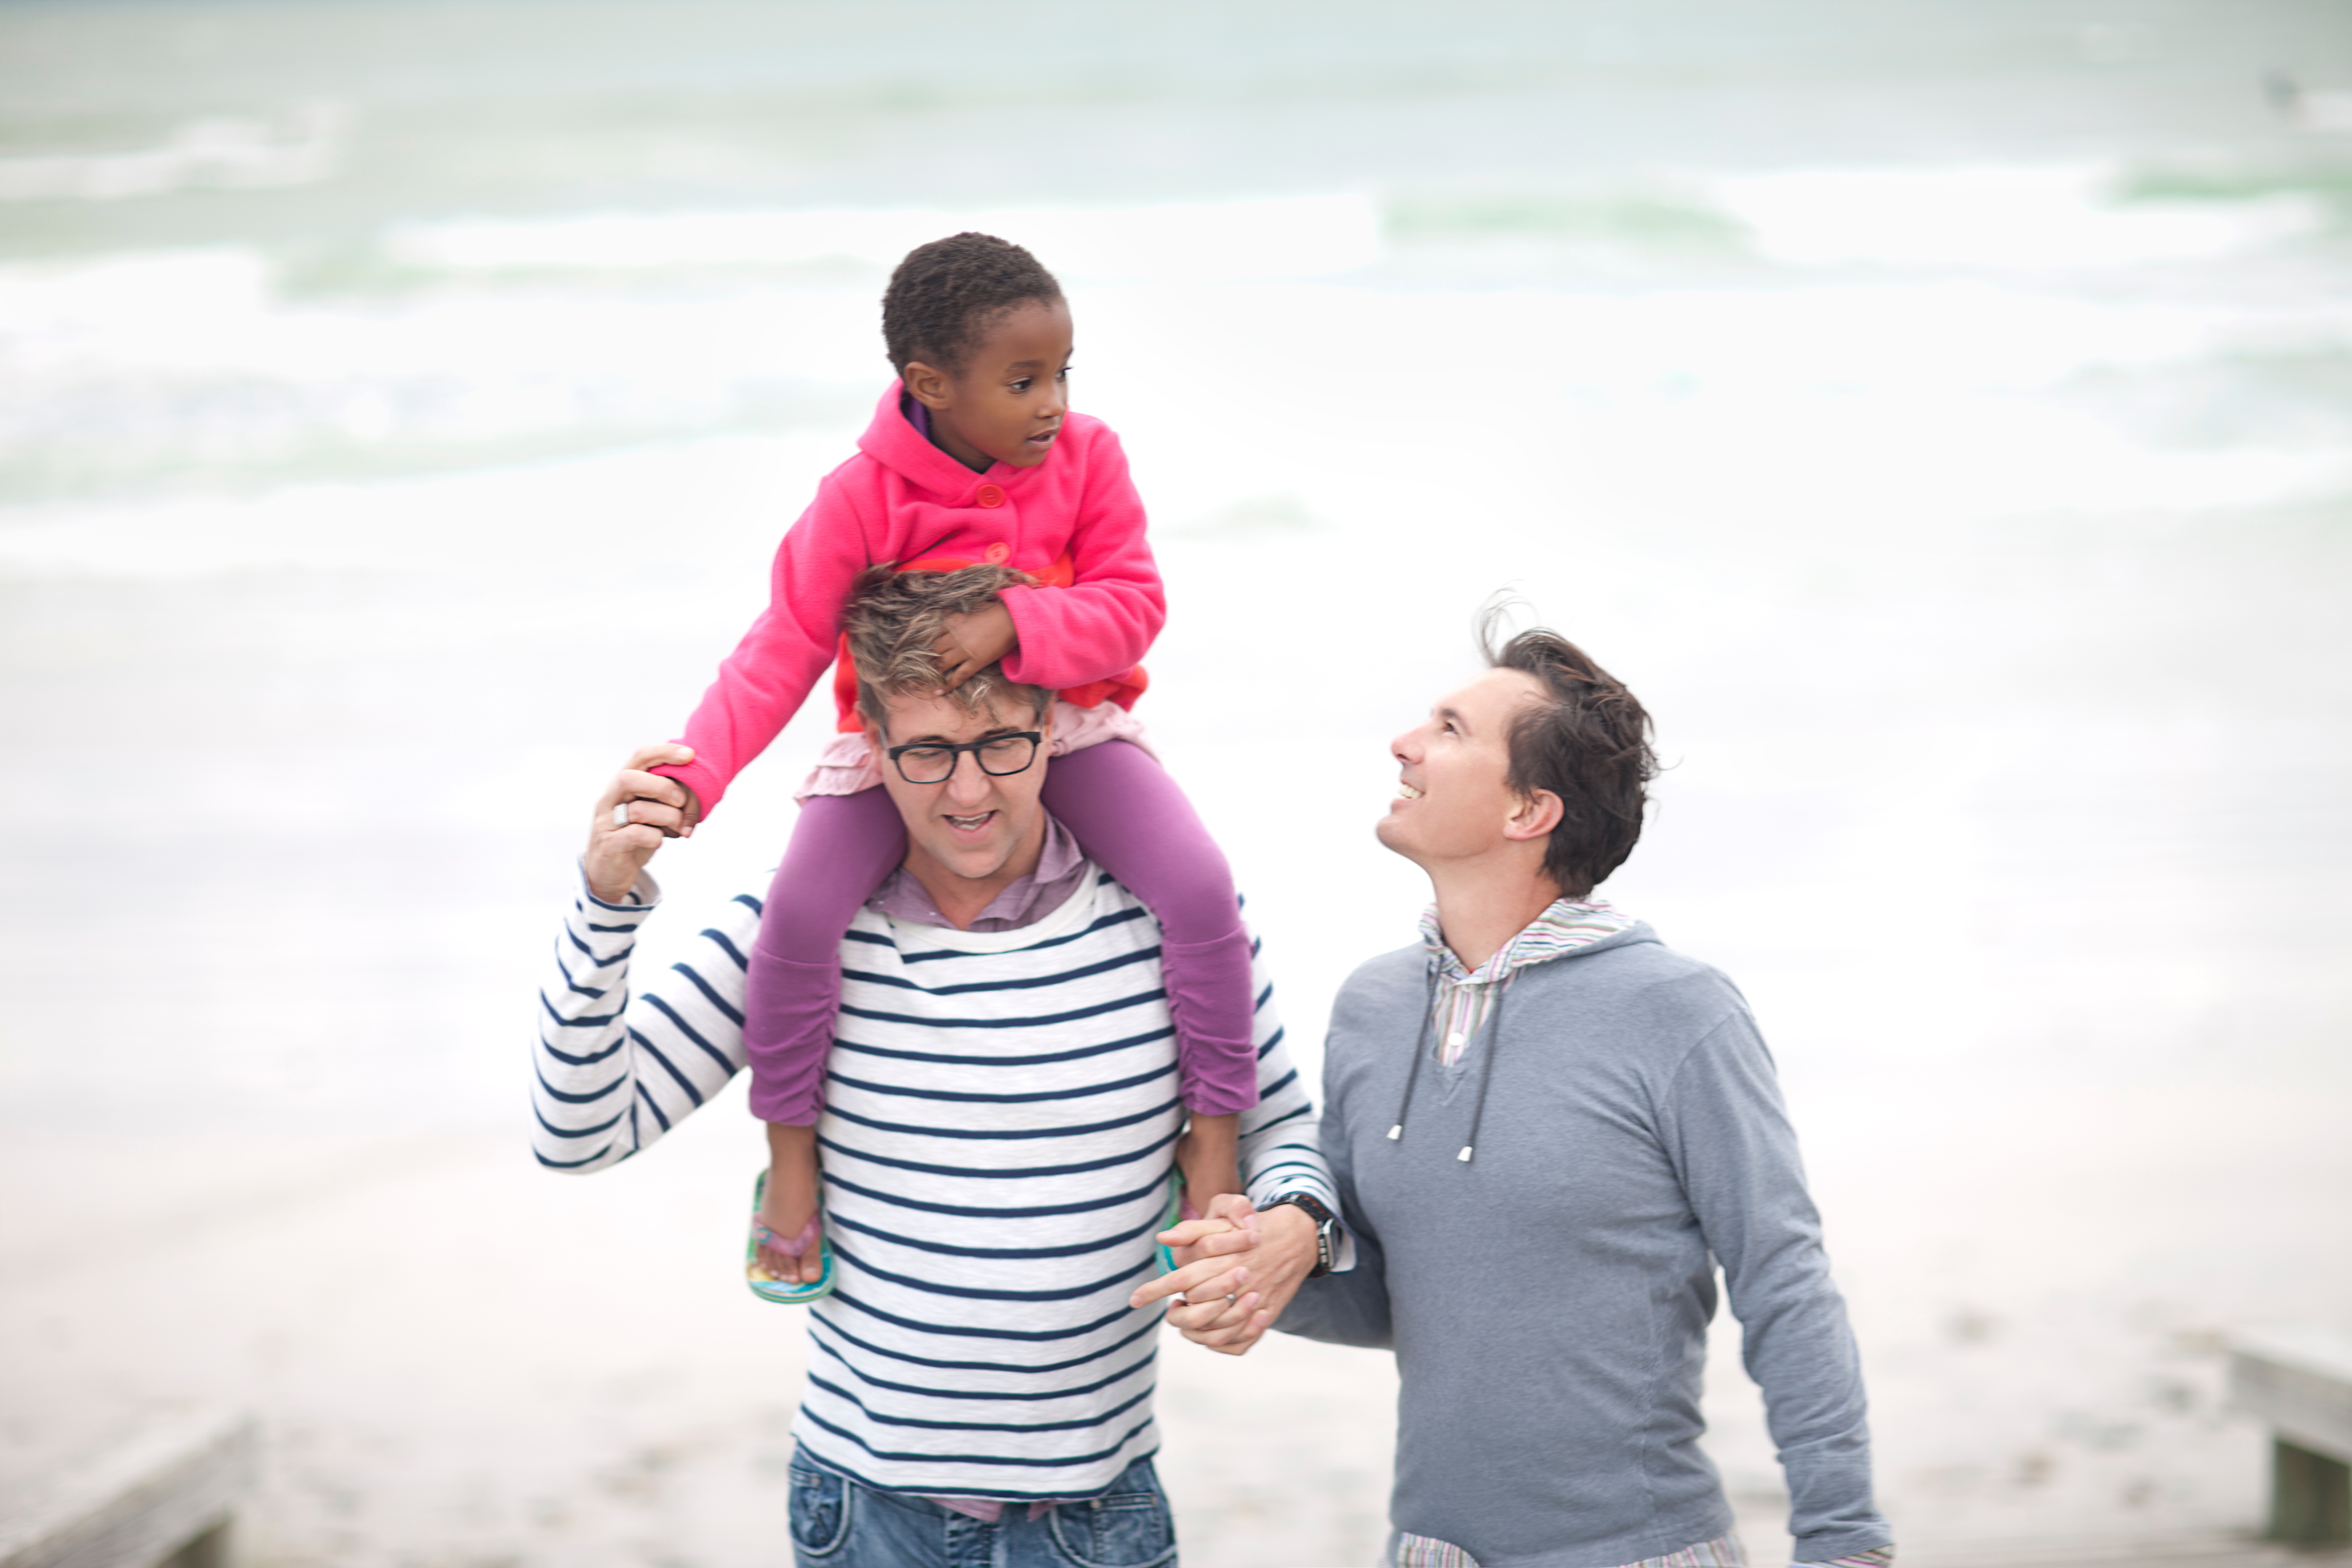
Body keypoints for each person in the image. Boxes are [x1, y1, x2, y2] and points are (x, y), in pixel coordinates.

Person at [534, 564, 1347, 1565]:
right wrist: (605, 905)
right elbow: (576, 1134)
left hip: (1098, 1513)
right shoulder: (788, 933)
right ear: (870, 750)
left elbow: (1280, 1124)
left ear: (1054, 726)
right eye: (926, 752)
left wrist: (1288, 1226)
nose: (968, 792)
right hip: (864, 1512)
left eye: (1000, 743)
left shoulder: (1173, 926)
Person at [1138, 616, 1895, 1568]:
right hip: (1428, 1551)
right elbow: (1394, 1297)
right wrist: (1258, 1270)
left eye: (1450, 730)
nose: (1404, 742)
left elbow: (1784, 1283)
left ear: (1527, 812)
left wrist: (1843, 1541)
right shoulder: (1374, 1006)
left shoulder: (1676, 1011)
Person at [643, 231, 1258, 1293]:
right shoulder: (857, 499)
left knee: (1199, 886)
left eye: (1063, 373)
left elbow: (1134, 606)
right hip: (907, 759)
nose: (1052, 402)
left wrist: (1014, 625)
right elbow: (782, 645)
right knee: (797, 914)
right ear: (929, 385)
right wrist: (692, 776)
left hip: (1062, 727)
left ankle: (1210, 1131)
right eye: (1022, 382)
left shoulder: (1090, 458)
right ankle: (792, 1154)